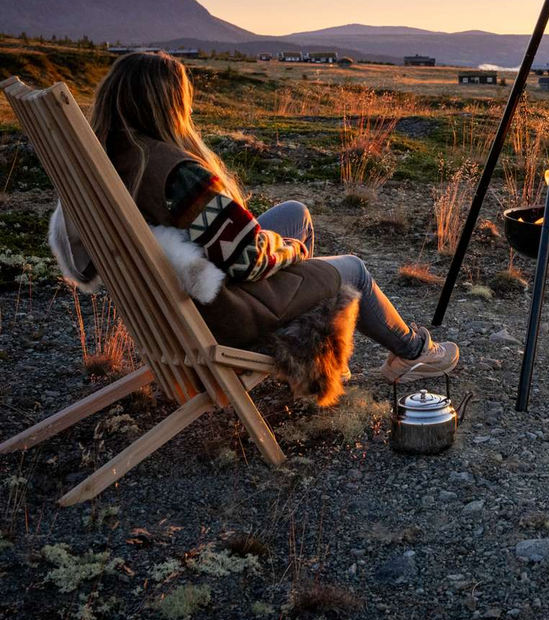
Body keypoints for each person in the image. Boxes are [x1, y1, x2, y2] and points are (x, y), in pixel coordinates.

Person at [48, 53, 457, 399]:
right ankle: (412, 352)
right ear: (168, 104)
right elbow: (247, 261)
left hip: (181, 297)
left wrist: (273, 241)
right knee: (353, 270)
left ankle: (317, 355)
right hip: (224, 311)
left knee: (296, 213)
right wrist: (291, 251)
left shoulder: (106, 161)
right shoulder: (174, 173)